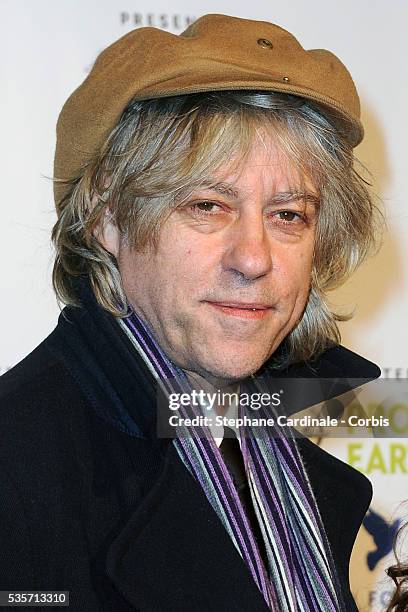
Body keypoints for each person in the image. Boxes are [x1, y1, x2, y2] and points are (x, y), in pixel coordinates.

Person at [0, 14, 382, 612]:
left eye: (289, 215)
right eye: (208, 204)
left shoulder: (282, 463)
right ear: (107, 217)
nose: (254, 259)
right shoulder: (17, 470)